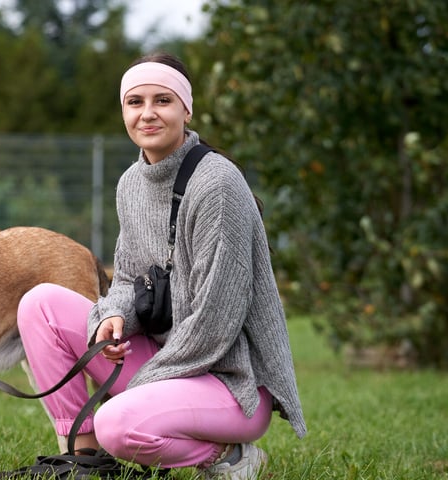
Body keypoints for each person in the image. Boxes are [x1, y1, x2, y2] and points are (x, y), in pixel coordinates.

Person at [16, 52, 307, 479]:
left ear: (186, 109)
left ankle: (231, 458)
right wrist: (113, 316)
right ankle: (84, 459)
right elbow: (129, 279)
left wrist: (135, 389)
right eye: (135, 102)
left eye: (162, 100)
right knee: (38, 304)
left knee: (117, 422)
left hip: (230, 382)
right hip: (167, 362)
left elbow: (216, 321)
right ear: (123, 111)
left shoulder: (218, 185)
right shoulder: (132, 182)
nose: (147, 114)